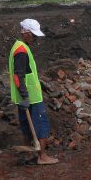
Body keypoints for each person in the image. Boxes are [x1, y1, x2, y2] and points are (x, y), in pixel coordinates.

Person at [8, 18, 58, 165]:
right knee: (41, 125)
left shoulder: (19, 47)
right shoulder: (22, 51)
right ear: (25, 33)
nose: (36, 38)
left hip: (24, 97)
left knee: (26, 125)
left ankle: (29, 154)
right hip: (30, 98)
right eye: (33, 35)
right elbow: (18, 75)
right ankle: (42, 157)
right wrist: (25, 95)